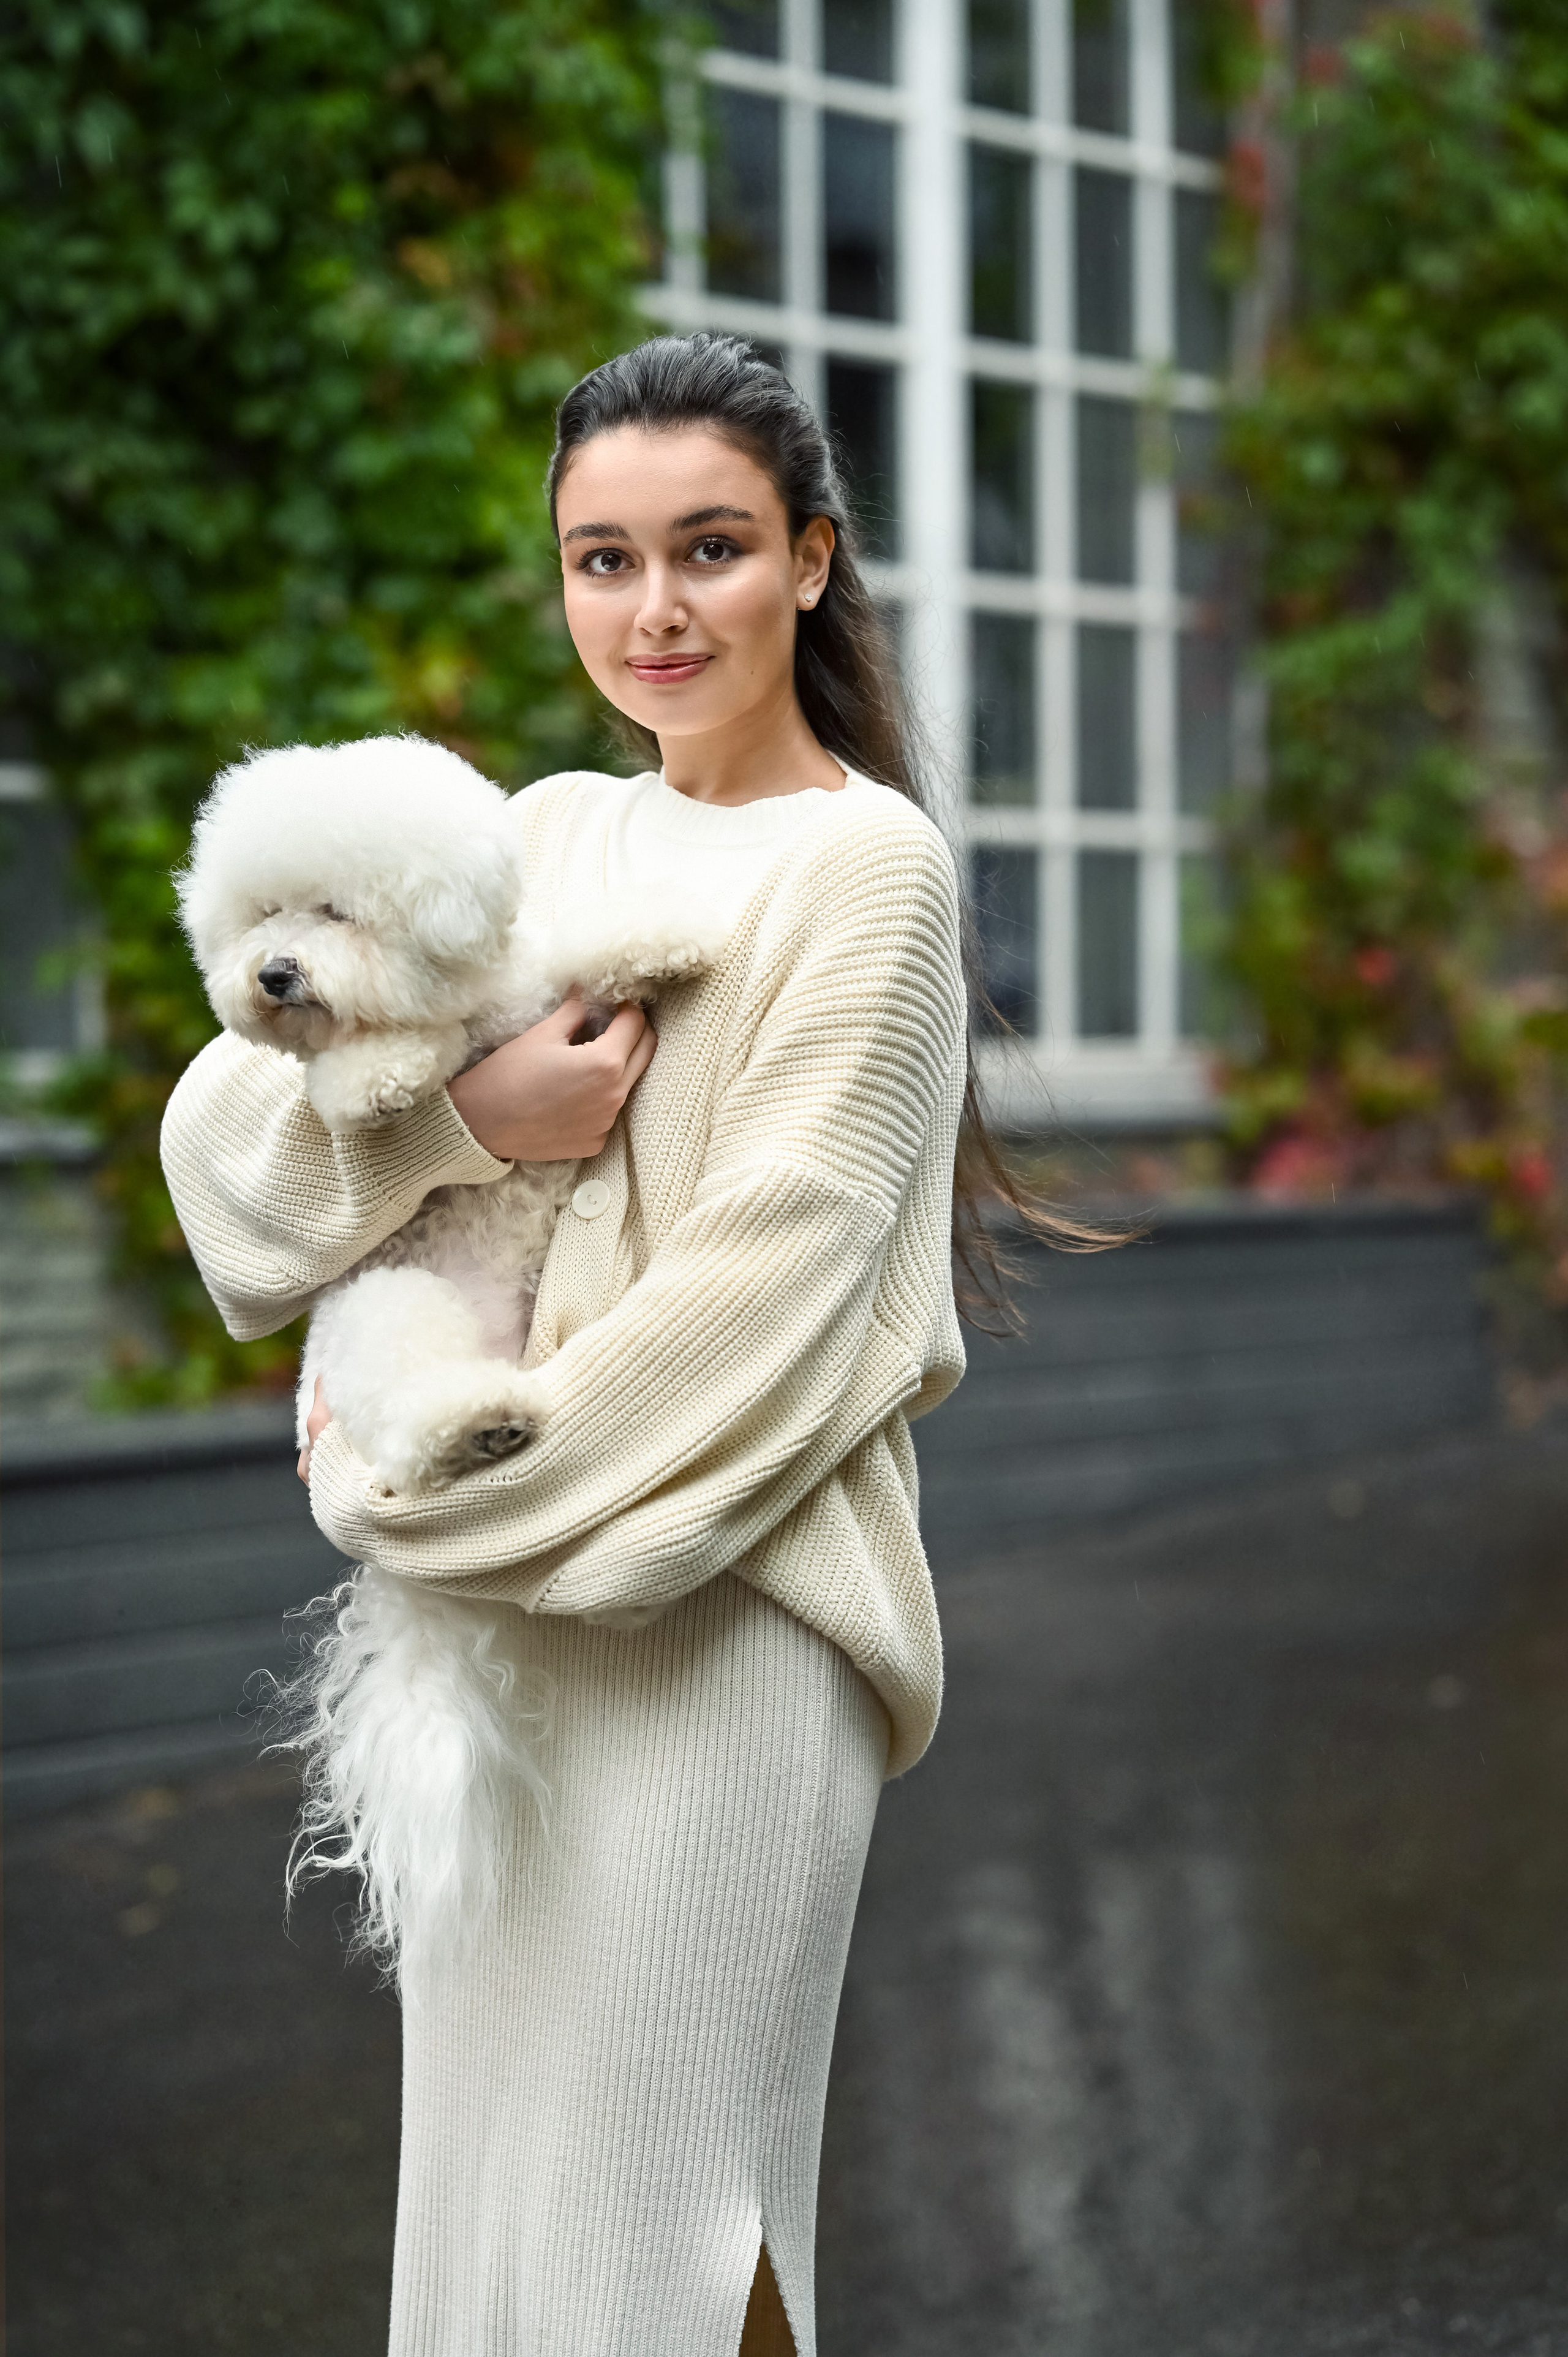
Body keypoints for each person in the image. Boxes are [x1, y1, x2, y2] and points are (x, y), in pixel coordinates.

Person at [160, 331, 1069, 2357]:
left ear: (813, 564)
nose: (653, 613)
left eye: (711, 550)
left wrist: (429, 1511)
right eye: (601, 561)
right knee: (498, 2224)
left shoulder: (874, 873)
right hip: (504, 1641)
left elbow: (775, 1293)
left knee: (670, 2218)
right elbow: (226, 1146)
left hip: (727, 1615)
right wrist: (467, 1123)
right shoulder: (540, 833)